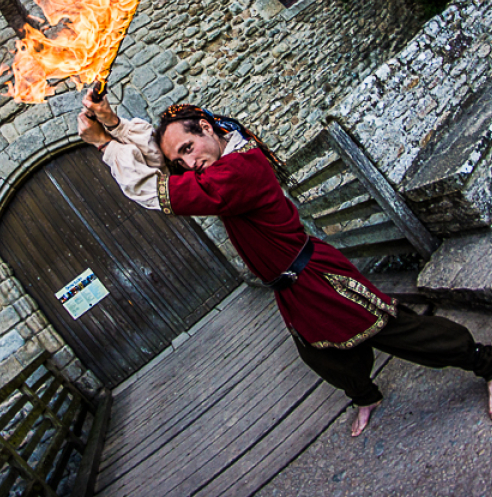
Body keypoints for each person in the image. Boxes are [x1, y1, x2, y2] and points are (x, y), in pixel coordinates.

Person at [77, 92, 492, 436]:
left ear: (206, 128)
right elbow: (164, 161)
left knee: (398, 331)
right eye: (181, 162)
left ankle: (486, 362)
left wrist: (105, 146)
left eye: (189, 149)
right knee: (322, 356)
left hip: (320, 278)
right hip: (292, 288)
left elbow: (159, 191)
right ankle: (366, 396)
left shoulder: (239, 169)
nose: (189, 164)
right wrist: (113, 124)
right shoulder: (221, 157)